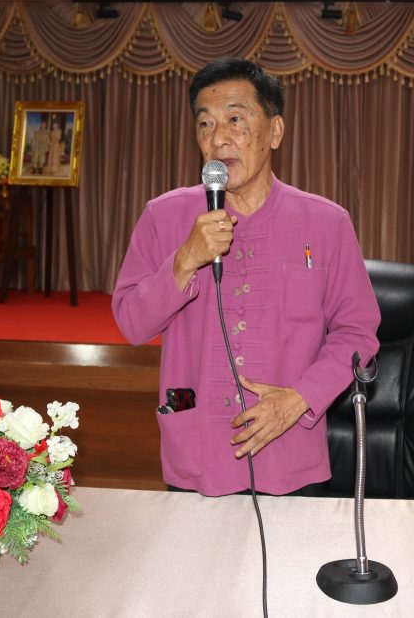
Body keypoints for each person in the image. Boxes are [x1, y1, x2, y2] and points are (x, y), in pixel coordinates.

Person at [111, 58, 380, 496]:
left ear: (275, 131)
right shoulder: (164, 216)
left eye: (235, 120)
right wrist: (185, 260)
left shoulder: (326, 223)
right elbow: (131, 323)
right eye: (205, 124)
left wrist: (299, 399)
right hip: (197, 451)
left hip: (289, 452)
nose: (218, 138)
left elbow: (358, 333)